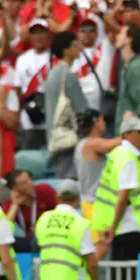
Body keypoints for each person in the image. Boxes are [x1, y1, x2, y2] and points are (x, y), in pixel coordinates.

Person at [93, 116, 140, 261]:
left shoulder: (117, 153)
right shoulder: (128, 159)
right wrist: (113, 227)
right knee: (125, 279)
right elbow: (123, 197)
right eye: (139, 132)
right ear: (126, 134)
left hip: (119, 226)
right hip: (127, 226)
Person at [37, 180, 110, 280]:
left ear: (57, 198)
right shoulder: (80, 224)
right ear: (78, 199)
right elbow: (92, 264)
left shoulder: (43, 219)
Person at [45, 31, 91, 177]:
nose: (79, 47)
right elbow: (82, 109)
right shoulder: (68, 75)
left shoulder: (52, 73)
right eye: (74, 45)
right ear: (66, 50)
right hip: (69, 138)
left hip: (55, 136)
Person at [74, 109, 121, 222]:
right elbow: (114, 143)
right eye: (102, 120)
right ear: (95, 123)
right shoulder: (90, 144)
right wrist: (129, 129)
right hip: (93, 204)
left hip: (100, 203)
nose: (104, 123)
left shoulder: (87, 143)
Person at [3, 169, 59, 254]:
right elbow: (4, 228)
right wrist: (15, 205)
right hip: (27, 241)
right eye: (24, 183)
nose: (31, 183)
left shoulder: (45, 190)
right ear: (15, 189)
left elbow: (61, 212)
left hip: (50, 235)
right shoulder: (10, 204)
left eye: (29, 179)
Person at [114, 23, 140, 133]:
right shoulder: (129, 66)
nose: (117, 36)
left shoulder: (137, 67)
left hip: (132, 135)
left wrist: (132, 124)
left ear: (128, 39)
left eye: (121, 33)